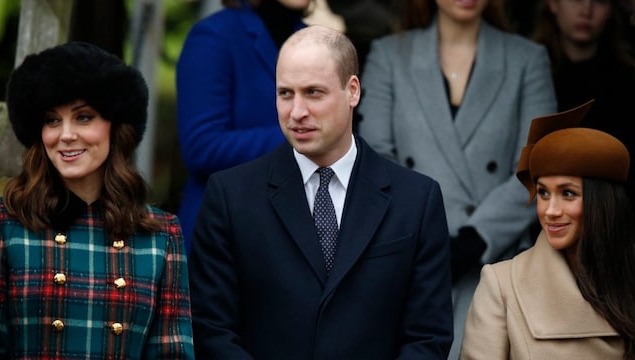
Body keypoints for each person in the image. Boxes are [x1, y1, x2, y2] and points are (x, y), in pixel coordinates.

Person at [188, 25, 453, 358]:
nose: (296, 112)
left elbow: (428, 336)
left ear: (352, 90)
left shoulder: (417, 199)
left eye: (313, 92)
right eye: (286, 93)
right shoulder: (230, 196)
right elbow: (211, 328)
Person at [357, 0, 557, 358]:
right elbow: (374, 159)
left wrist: (476, 239)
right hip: (410, 254)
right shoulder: (389, 55)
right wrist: (423, 235)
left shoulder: (528, 58)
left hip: (498, 259)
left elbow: (536, 165)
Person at [0, 42, 195, 359]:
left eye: (84, 117)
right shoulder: (4, 225)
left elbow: (172, 353)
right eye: (52, 120)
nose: (66, 134)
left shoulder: (161, 235)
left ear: (115, 127)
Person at [459, 100, 635, 359]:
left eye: (567, 193)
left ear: (603, 203)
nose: (550, 210)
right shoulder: (502, 284)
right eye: (543, 193)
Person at [176, 0, 311, 251]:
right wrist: (303, 135)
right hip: (225, 233)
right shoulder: (214, 35)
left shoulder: (313, 41)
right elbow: (202, 148)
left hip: (294, 233)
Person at [532, 0, 635, 208]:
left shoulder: (627, 82)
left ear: (610, 11)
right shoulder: (530, 76)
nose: (586, 10)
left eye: (599, 1)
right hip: (542, 215)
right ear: (553, 4)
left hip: (611, 215)